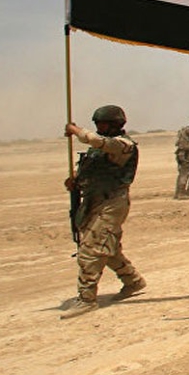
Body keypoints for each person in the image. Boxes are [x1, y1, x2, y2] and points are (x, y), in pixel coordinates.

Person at [60, 105, 146, 319]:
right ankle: (132, 280)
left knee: (91, 250)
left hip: (112, 203)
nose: (99, 127)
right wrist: (76, 180)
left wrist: (75, 130)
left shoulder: (123, 145)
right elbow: (92, 167)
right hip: (93, 200)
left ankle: (86, 298)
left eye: (103, 124)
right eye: (97, 124)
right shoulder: (98, 148)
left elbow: (97, 141)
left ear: (116, 124)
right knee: (109, 248)